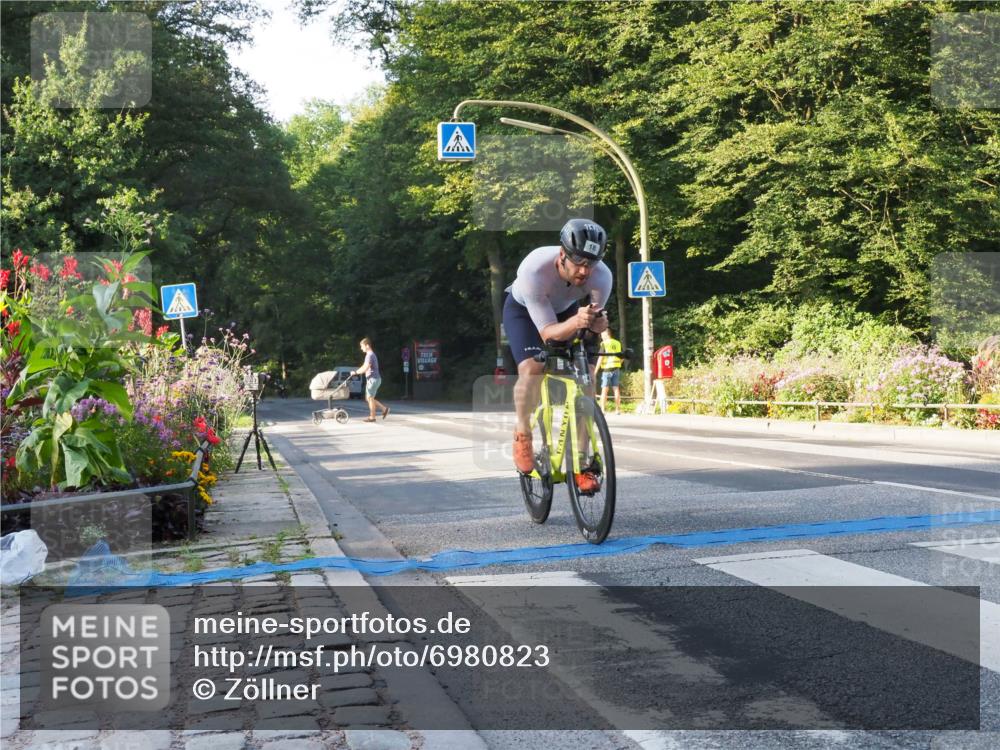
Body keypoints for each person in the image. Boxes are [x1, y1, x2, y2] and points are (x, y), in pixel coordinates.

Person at [503, 218, 611, 493]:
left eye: (592, 263)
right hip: (525, 312)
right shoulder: (534, 271)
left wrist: (596, 325)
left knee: (585, 380)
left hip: (567, 311)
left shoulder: (602, 277)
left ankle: (583, 464)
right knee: (532, 368)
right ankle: (523, 432)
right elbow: (549, 334)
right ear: (562, 255)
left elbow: (591, 325)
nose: (585, 271)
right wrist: (577, 322)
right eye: (579, 263)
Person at [353, 338, 389, 423]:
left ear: (367, 346)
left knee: (370, 398)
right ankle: (384, 409)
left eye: (362, 346)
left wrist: (355, 372)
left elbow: (365, 368)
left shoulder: (370, 355)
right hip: (373, 379)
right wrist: (355, 372)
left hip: (373, 379)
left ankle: (372, 417)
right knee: (369, 398)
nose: (361, 348)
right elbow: (363, 366)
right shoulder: (369, 355)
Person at [595, 328, 624, 415]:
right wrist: (619, 363)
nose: (601, 336)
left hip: (606, 370)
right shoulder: (617, 343)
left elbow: (600, 358)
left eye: (602, 335)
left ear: (606, 334)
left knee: (604, 390)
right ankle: (618, 410)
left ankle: (603, 410)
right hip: (616, 369)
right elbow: (622, 357)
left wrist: (595, 370)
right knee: (616, 389)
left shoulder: (604, 344)